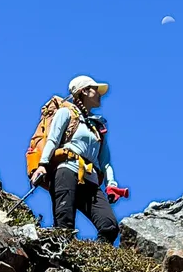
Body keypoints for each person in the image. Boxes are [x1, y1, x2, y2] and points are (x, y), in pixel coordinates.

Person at [30, 75, 119, 242]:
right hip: (66, 171)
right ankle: (62, 264)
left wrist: (111, 185)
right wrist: (42, 165)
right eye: (95, 89)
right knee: (64, 224)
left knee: (110, 226)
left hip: (90, 179)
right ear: (83, 91)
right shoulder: (66, 113)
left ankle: (92, 262)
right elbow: (53, 140)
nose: (100, 93)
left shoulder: (97, 127)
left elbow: (105, 161)